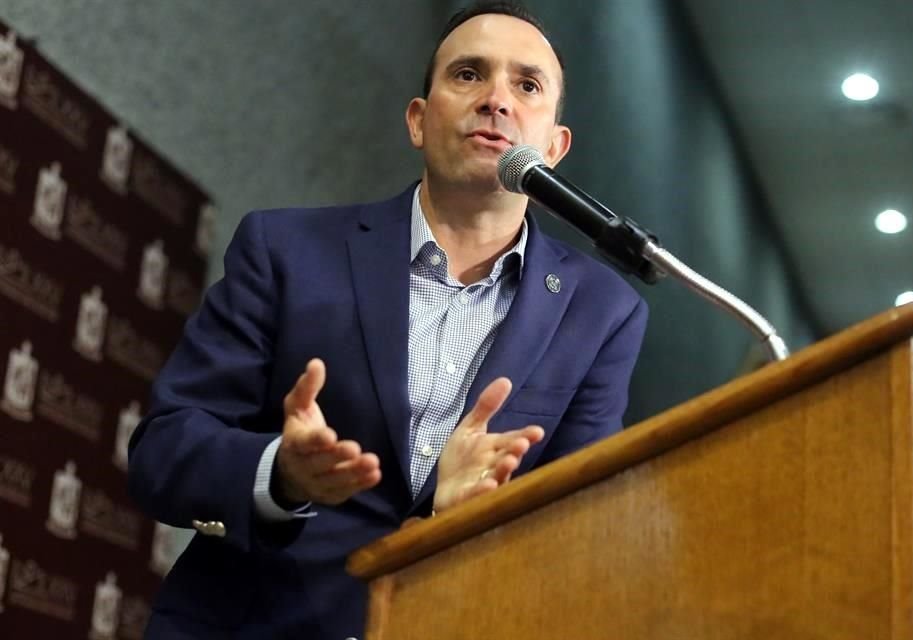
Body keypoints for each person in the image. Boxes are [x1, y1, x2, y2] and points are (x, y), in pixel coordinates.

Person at [128, 2, 648, 638]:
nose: (496, 100)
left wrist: (461, 526)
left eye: (527, 84)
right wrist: (282, 474)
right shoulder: (287, 251)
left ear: (556, 147)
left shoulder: (602, 311)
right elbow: (164, 451)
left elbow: (579, 530)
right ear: (418, 121)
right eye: (468, 74)